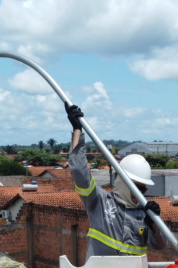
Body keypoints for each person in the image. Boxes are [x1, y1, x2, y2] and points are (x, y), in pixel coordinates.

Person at [66, 104, 166, 258]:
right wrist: (77, 130)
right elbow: (79, 171)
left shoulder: (143, 214)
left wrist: (154, 224)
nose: (140, 194)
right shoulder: (100, 202)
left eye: (143, 189)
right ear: (124, 183)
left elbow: (159, 246)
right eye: (137, 188)